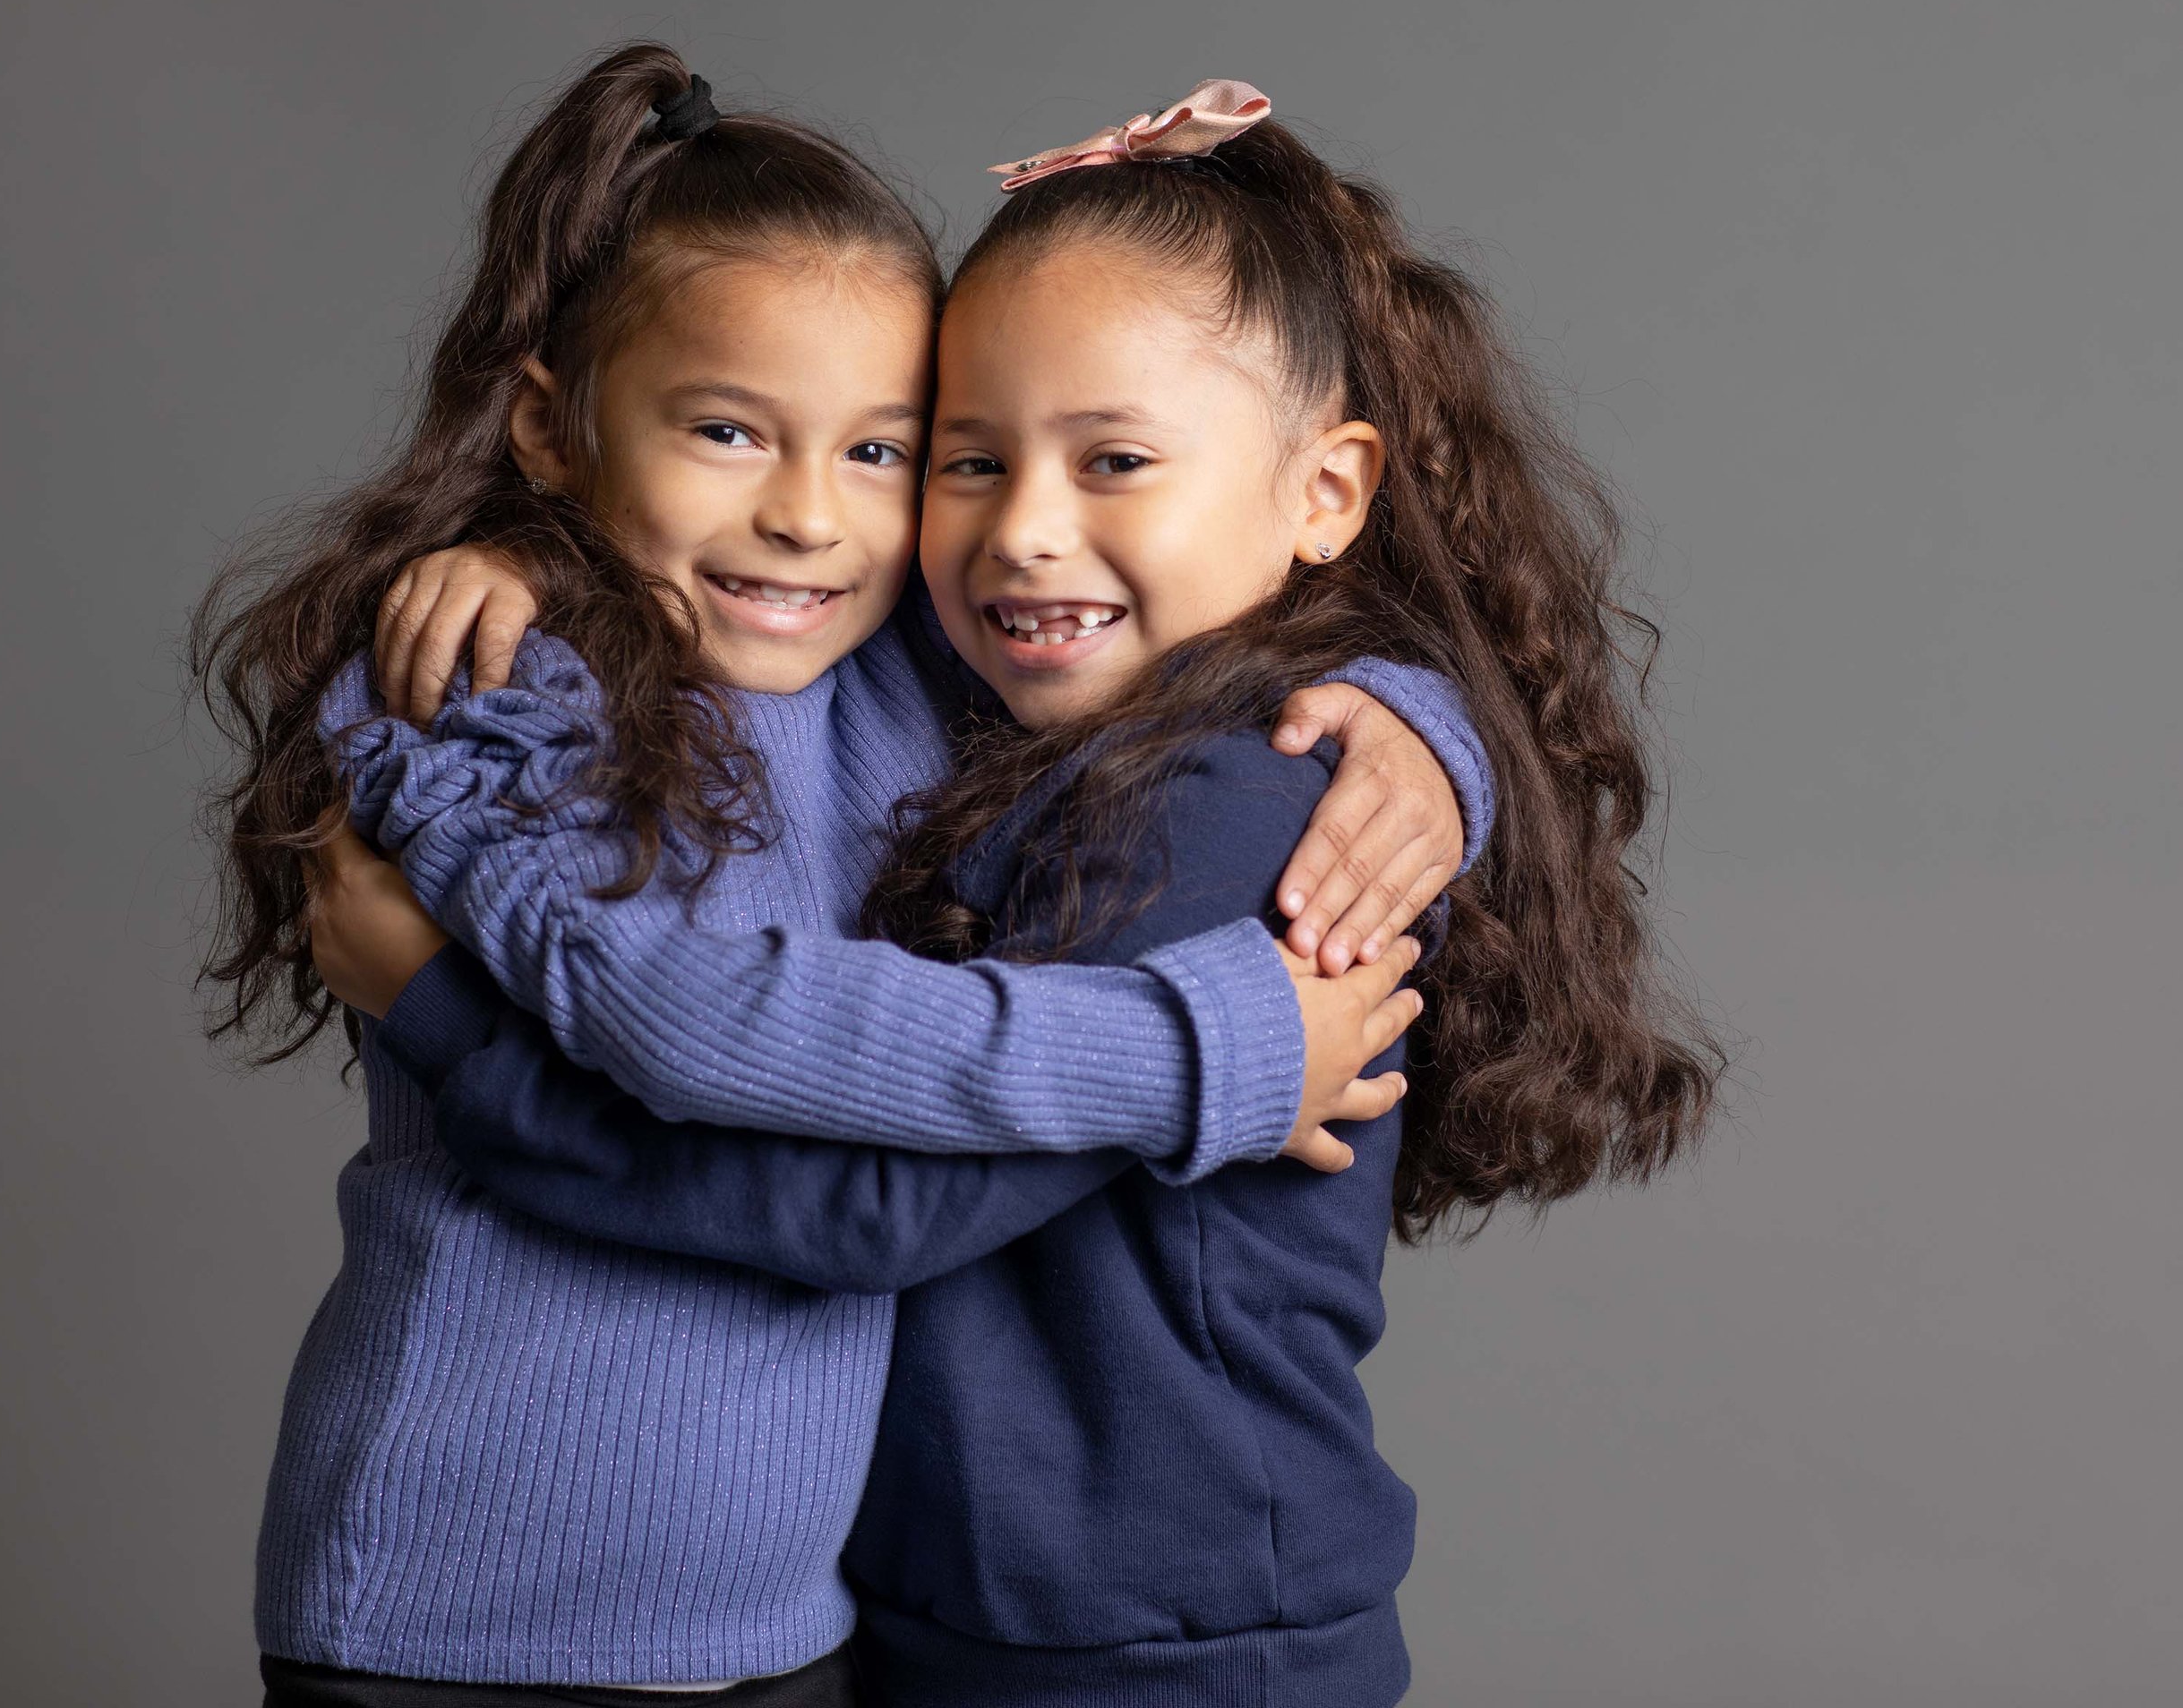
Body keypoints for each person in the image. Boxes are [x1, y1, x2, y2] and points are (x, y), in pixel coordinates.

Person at [311, 82, 1723, 1705]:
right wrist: (533, 560)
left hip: (1150, 1645)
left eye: (1112, 458)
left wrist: (1426, 742)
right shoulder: (981, 711)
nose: (1026, 534)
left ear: (1326, 494)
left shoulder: (1244, 800)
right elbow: (734, 573)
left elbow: (879, 1216)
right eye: (969, 462)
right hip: (915, 1616)